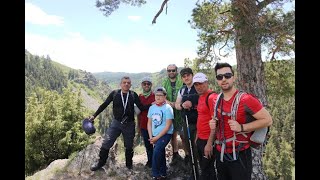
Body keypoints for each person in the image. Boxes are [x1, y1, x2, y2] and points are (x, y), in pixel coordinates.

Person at [209, 62, 272, 180]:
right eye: (219, 77)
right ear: (217, 80)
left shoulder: (246, 99)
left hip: (240, 154)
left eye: (227, 75)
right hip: (220, 153)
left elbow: (267, 120)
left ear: (234, 77)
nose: (224, 79)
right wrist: (214, 124)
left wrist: (241, 127)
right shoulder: (216, 99)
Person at [89, 76, 151, 171]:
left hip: (129, 124)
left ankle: (129, 166)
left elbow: (142, 108)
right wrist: (94, 115)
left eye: (128, 83)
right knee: (106, 143)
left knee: (129, 146)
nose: (126, 84)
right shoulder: (115, 94)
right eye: (124, 82)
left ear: (130, 85)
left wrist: (153, 104)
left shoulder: (133, 95)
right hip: (116, 123)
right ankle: (100, 163)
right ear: (120, 84)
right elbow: (104, 104)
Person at [175, 67, 200, 179]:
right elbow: (176, 104)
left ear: (192, 75)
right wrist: (182, 105)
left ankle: (202, 170)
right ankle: (193, 171)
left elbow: (205, 104)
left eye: (188, 75)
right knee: (189, 146)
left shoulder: (198, 87)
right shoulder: (182, 90)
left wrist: (193, 105)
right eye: (184, 76)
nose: (186, 78)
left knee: (198, 146)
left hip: (199, 122)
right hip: (186, 122)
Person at [193, 72, 218, 180]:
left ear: (206, 82)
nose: (198, 86)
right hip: (201, 139)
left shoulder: (212, 98)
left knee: (207, 169)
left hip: (208, 141)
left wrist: (209, 143)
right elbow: (201, 117)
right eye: (196, 84)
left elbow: (215, 122)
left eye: (201, 83)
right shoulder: (201, 97)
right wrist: (197, 136)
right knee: (205, 169)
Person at [147, 87, 174, 180]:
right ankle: (163, 173)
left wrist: (156, 138)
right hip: (154, 135)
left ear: (165, 96)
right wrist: (151, 137)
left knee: (157, 151)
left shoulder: (168, 108)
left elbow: (168, 126)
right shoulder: (152, 108)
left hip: (165, 134)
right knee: (161, 152)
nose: (158, 97)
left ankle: (155, 174)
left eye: (160, 95)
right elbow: (149, 123)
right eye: (156, 95)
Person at [162, 64, 184, 165]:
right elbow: (162, 97)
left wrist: (177, 104)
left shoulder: (182, 81)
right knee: (173, 135)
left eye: (173, 70)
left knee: (184, 135)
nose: (171, 72)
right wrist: (172, 104)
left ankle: (187, 154)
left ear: (177, 71)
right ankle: (175, 154)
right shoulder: (164, 83)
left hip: (182, 112)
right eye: (169, 71)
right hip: (170, 112)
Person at [137, 76, 155, 168]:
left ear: (151, 85)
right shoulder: (139, 97)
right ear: (142, 85)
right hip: (143, 124)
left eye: (148, 83)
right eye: (144, 83)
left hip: (155, 125)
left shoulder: (155, 96)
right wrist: (138, 126)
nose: (146, 85)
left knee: (156, 144)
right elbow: (138, 113)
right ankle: (150, 161)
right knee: (148, 145)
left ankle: (157, 162)